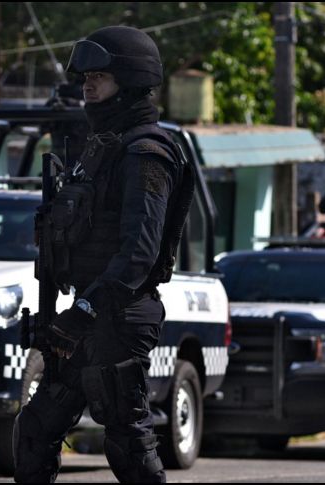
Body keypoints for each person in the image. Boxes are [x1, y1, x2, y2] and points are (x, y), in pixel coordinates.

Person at [13, 26, 194, 483]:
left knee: (128, 442)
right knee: (35, 430)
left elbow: (139, 252)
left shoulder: (146, 152)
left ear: (129, 80)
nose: (88, 85)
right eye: (86, 76)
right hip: (86, 317)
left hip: (119, 316)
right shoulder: (100, 150)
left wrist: (85, 311)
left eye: (100, 76)